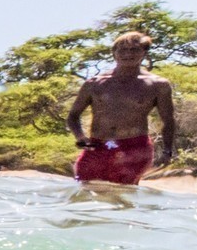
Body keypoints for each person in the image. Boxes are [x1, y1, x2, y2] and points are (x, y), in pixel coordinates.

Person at [67, 30, 176, 185]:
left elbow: (168, 121)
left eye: (134, 50)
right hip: (97, 146)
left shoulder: (158, 85)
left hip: (134, 148)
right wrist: (80, 137)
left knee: (124, 192)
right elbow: (73, 116)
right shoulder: (94, 83)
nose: (128, 54)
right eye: (122, 50)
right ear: (114, 53)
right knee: (84, 189)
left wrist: (167, 151)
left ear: (144, 53)